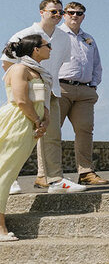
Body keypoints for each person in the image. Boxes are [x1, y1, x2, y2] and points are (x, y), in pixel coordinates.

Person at [1, 0, 84, 194]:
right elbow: (7, 62)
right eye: (53, 11)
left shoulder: (64, 38)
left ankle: (54, 180)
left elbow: (59, 64)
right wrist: (24, 86)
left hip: (52, 91)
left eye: (59, 12)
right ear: (42, 12)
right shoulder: (24, 35)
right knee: (17, 138)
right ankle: (9, 178)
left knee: (53, 137)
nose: (57, 15)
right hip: (27, 95)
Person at [0, 36, 51, 241]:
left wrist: (44, 121)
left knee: (7, 172)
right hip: (18, 122)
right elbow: (21, 100)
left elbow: (41, 100)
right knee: (5, 171)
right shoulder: (19, 69)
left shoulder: (37, 71)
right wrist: (37, 121)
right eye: (48, 46)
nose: (51, 49)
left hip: (29, 122)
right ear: (36, 50)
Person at [57, 2, 107, 185]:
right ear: (64, 14)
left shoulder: (89, 39)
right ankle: (46, 175)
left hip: (84, 90)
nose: (74, 16)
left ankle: (86, 172)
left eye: (79, 13)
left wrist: (92, 86)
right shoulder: (56, 35)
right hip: (61, 87)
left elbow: (97, 65)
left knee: (85, 130)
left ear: (83, 16)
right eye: (71, 13)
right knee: (52, 132)